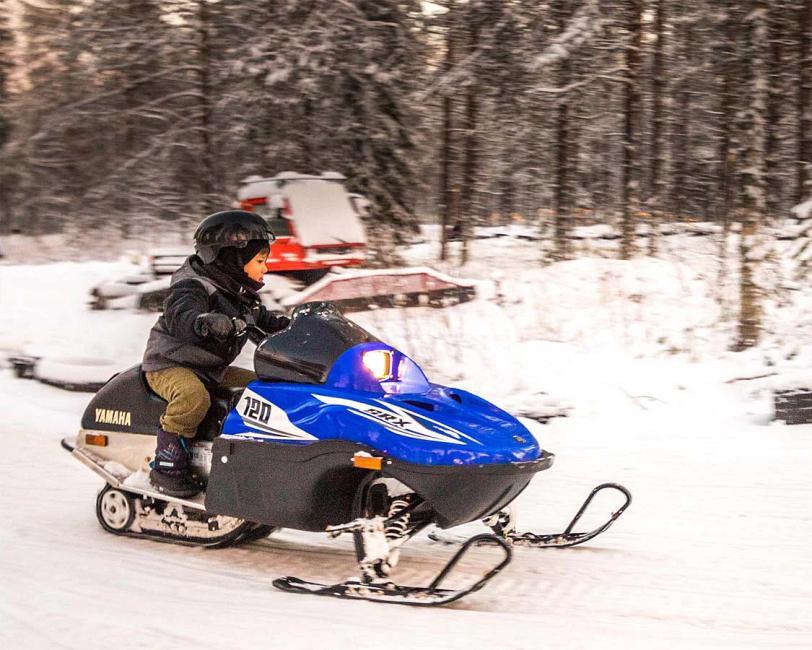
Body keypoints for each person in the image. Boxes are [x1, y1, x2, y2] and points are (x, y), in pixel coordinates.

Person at [142, 210, 290, 498]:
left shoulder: (240, 294)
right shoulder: (192, 285)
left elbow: (267, 322)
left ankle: (237, 456)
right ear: (231, 258)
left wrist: (300, 328)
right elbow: (182, 314)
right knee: (193, 398)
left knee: (259, 390)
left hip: (209, 369)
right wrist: (204, 321)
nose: (265, 268)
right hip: (169, 365)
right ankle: (167, 465)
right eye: (260, 261)